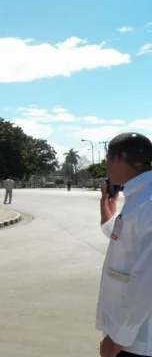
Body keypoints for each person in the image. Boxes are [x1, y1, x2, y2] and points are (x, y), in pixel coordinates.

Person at [97, 133, 152, 357]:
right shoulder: (138, 197)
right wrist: (106, 209)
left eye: (107, 158)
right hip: (129, 336)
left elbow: (148, 278)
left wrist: (119, 337)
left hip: (138, 341)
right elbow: (123, 237)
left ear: (117, 159)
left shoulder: (147, 202)